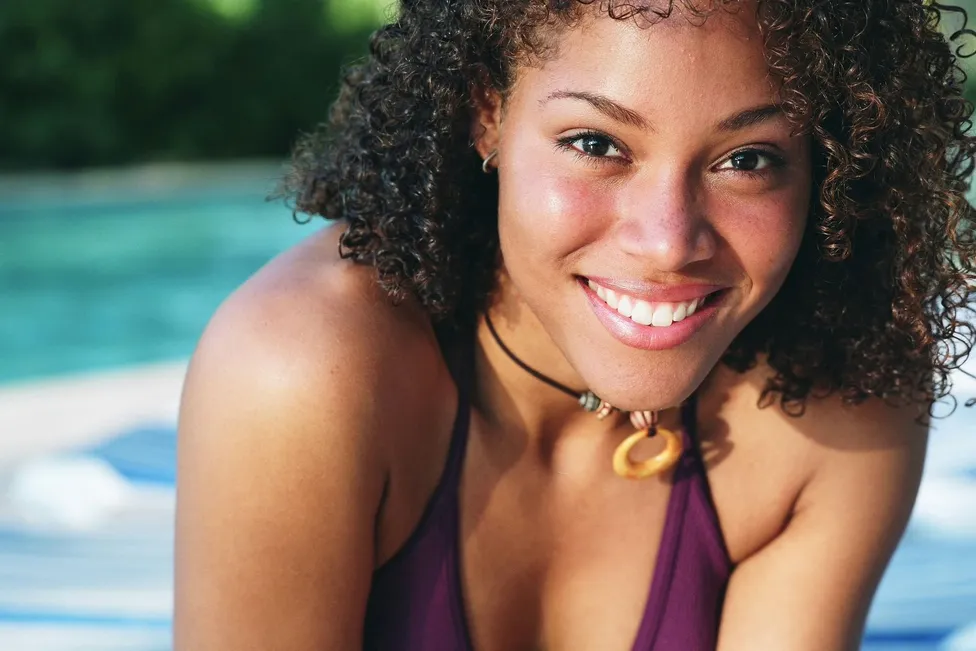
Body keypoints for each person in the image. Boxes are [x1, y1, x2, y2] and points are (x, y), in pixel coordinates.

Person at [173, 1, 976, 649]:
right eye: (596, 143)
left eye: (747, 159)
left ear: (828, 162)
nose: (668, 241)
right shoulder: (302, 373)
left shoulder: (841, 403)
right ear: (488, 114)